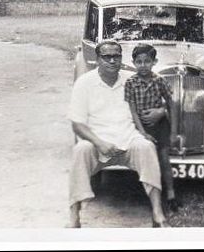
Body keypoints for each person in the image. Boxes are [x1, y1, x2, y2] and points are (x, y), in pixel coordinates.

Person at [68, 40, 170, 228]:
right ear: (97, 59)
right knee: (80, 150)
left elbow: (162, 94)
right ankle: (74, 216)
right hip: (98, 141)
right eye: (107, 57)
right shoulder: (84, 83)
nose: (113, 61)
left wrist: (161, 111)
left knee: (146, 147)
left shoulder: (133, 78)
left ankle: (158, 213)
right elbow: (77, 124)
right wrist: (98, 143)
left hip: (129, 138)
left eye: (117, 56)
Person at [124, 44, 181, 212]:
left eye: (147, 61)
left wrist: (173, 132)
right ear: (133, 63)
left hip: (160, 126)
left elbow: (172, 104)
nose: (143, 65)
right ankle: (149, 195)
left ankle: (171, 195)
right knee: (147, 160)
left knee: (164, 159)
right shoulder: (130, 83)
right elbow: (133, 111)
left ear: (154, 62)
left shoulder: (159, 80)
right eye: (139, 62)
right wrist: (142, 133)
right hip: (141, 126)